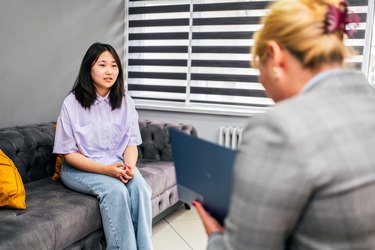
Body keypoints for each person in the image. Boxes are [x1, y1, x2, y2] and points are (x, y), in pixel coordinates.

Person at [194, 0, 375, 249]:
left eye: (260, 65)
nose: (260, 78)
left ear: (275, 55)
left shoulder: (279, 128)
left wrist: (216, 237)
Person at [53, 42, 152, 250]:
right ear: (89, 68)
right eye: (102, 65)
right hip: (79, 168)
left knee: (141, 188)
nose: (109, 71)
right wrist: (106, 171)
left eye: (114, 65)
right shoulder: (72, 103)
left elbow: (131, 143)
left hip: (115, 163)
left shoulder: (125, 101)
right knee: (116, 191)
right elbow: (69, 154)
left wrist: (129, 167)